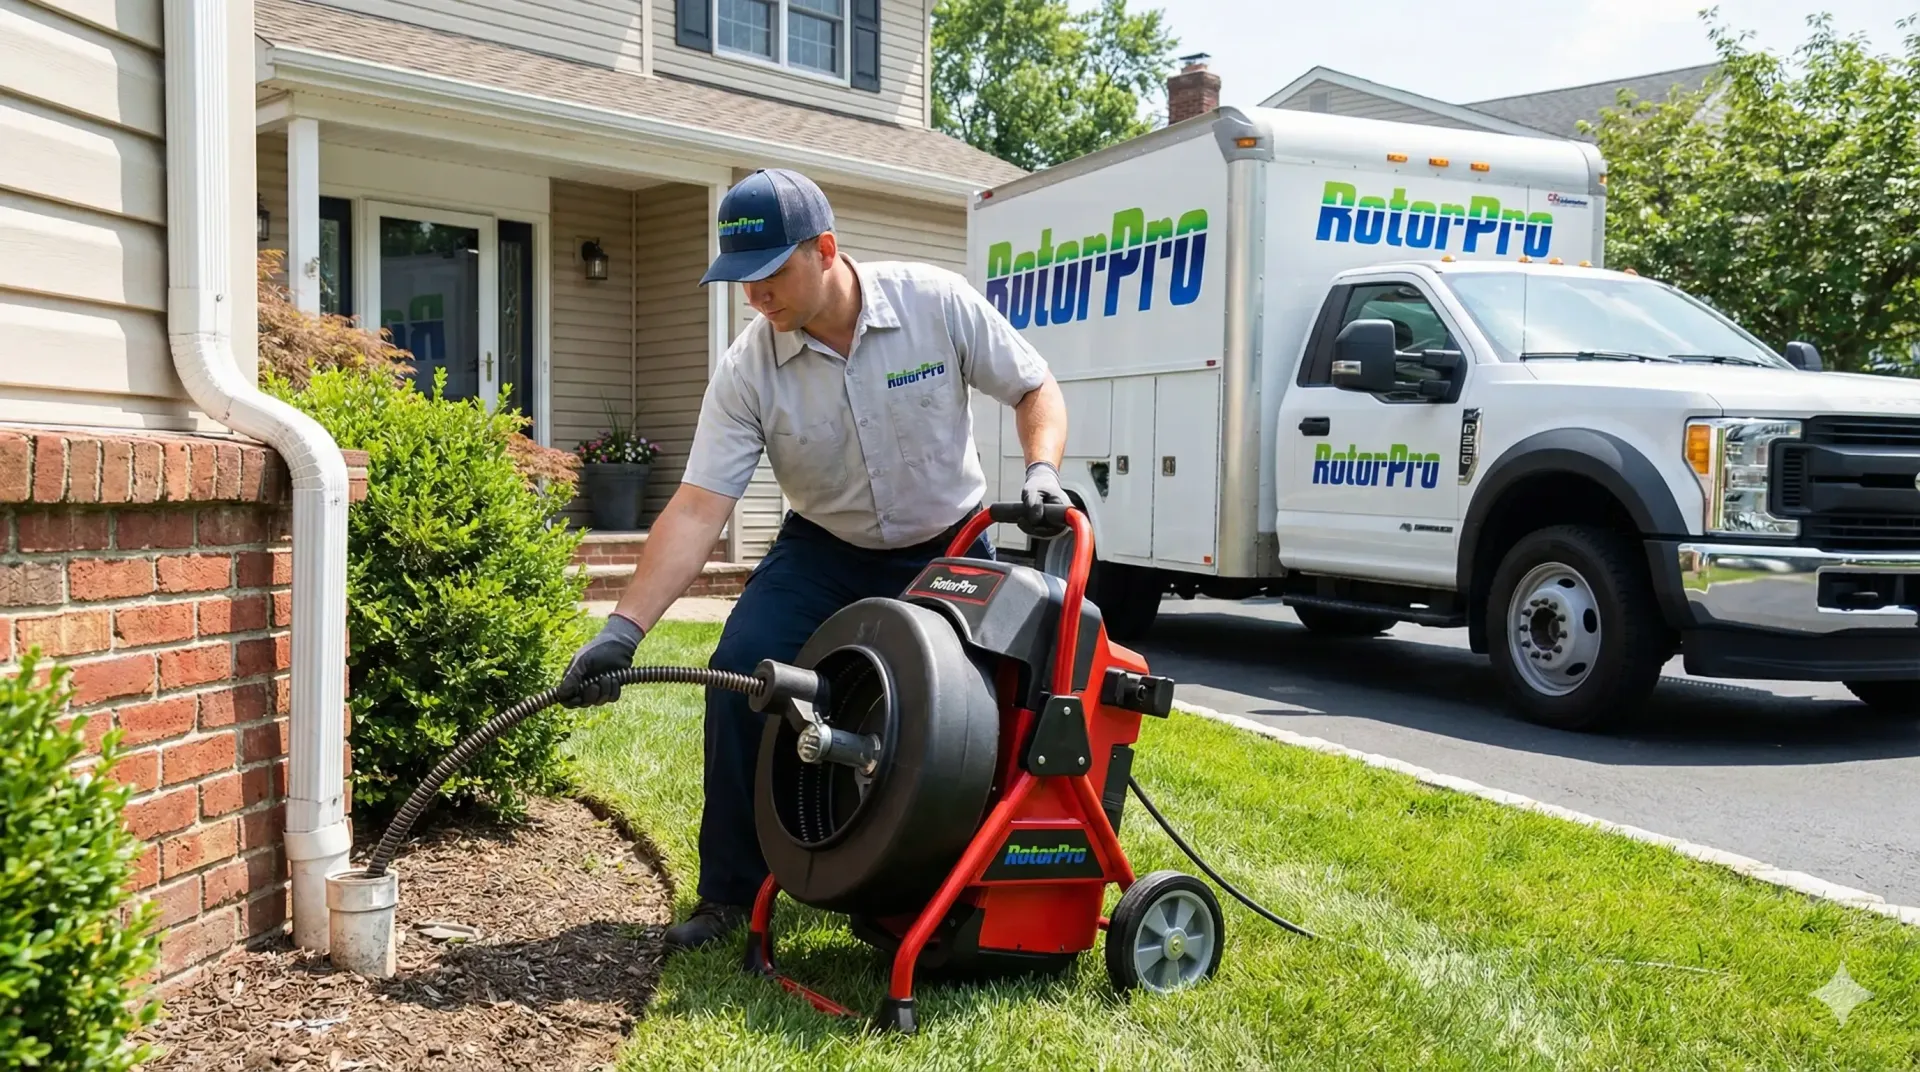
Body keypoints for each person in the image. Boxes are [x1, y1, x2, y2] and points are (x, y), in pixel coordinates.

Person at [558, 167, 1070, 953]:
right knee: (739, 674)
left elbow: (1035, 387)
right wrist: (624, 631)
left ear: (824, 249)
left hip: (950, 544)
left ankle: (948, 890)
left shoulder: (934, 302)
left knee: (978, 715)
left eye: (768, 276)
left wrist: (1041, 473)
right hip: (824, 549)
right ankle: (729, 894)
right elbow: (698, 507)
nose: (754, 297)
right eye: (741, 281)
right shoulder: (748, 368)